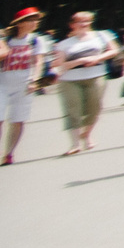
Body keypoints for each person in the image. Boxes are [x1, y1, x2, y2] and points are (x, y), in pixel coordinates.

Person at [51, 11, 114, 155]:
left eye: (87, 21)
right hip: (70, 80)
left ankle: (87, 133)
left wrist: (98, 58)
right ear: (72, 25)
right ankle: (75, 144)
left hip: (96, 76)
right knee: (73, 111)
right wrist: (79, 61)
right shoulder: (64, 44)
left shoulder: (102, 36)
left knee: (95, 108)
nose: (84, 24)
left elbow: (113, 51)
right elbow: (60, 65)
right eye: (80, 22)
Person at [2, 9, 44, 164]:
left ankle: (9, 153)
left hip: (24, 84)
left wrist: (35, 79)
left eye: (36, 20)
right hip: (3, 83)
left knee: (18, 120)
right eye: (30, 20)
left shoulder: (35, 40)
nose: (34, 23)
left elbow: (38, 61)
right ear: (19, 24)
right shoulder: (6, 40)